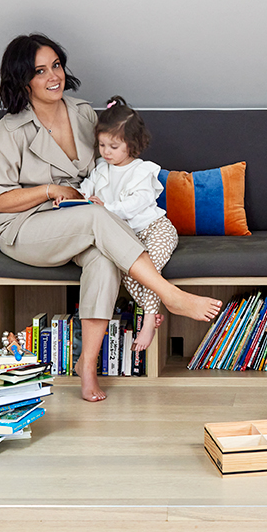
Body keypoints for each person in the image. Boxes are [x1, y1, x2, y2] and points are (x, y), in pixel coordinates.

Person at [0, 34, 220, 402]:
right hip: (27, 226)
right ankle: (170, 296)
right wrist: (48, 190)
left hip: (83, 217)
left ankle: (86, 366)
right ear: (22, 79)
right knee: (94, 218)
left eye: (56, 65)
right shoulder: (9, 130)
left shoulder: (83, 112)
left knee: (104, 260)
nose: (52, 76)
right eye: (40, 71)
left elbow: (112, 161)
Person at [78, 96, 176, 352]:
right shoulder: (100, 170)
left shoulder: (142, 171)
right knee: (128, 273)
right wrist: (75, 199)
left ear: (131, 146)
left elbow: (138, 204)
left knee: (149, 271)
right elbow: (84, 191)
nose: (106, 152)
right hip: (124, 239)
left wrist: (105, 209)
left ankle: (147, 322)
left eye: (113, 146)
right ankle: (152, 311)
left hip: (155, 229)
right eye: (101, 145)